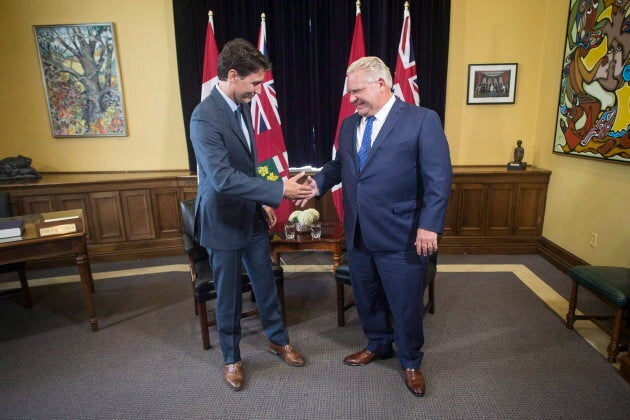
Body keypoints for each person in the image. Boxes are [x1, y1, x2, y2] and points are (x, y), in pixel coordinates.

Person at [298, 57, 452, 397]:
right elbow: (339, 166)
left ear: (381, 84)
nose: (352, 99)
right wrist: (317, 185)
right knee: (367, 299)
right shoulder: (350, 125)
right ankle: (378, 344)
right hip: (358, 232)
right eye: (350, 92)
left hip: (403, 233)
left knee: (405, 303)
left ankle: (411, 360)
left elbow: (439, 179)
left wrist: (429, 226)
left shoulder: (421, 120)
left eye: (357, 91)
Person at [190, 38, 312, 391]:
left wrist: (261, 201)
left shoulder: (241, 106)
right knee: (227, 298)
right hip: (222, 221)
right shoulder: (204, 116)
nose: (259, 90)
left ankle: (278, 339)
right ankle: (232, 358)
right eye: (255, 83)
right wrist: (278, 191)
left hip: (251, 217)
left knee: (266, 286)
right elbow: (223, 178)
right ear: (232, 75)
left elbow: (246, 167)